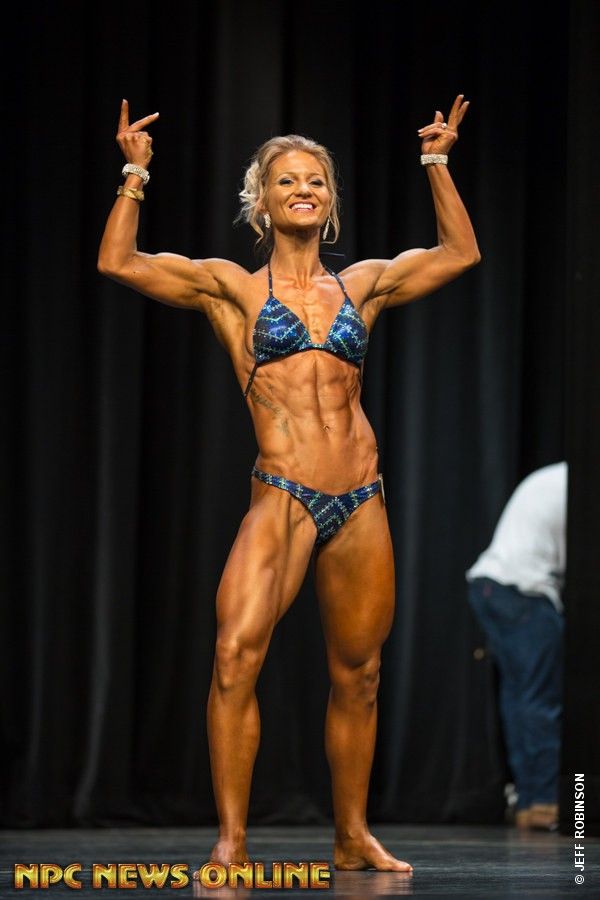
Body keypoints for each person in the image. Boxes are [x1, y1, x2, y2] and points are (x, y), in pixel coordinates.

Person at [98, 94, 479, 872]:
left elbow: (458, 254)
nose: (303, 189)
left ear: (330, 200)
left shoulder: (362, 285)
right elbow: (119, 263)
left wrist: (436, 160)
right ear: (262, 202)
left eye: (316, 181)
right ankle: (232, 840)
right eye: (286, 181)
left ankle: (351, 836)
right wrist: (135, 174)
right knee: (235, 656)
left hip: (360, 497)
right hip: (284, 495)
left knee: (360, 675)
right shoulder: (233, 290)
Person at [466, 462, 567, 831]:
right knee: (541, 697)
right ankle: (544, 800)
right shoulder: (579, 484)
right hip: (522, 590)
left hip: (490, 586)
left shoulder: (554, 476)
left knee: (520, 695)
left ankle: (528, 801)